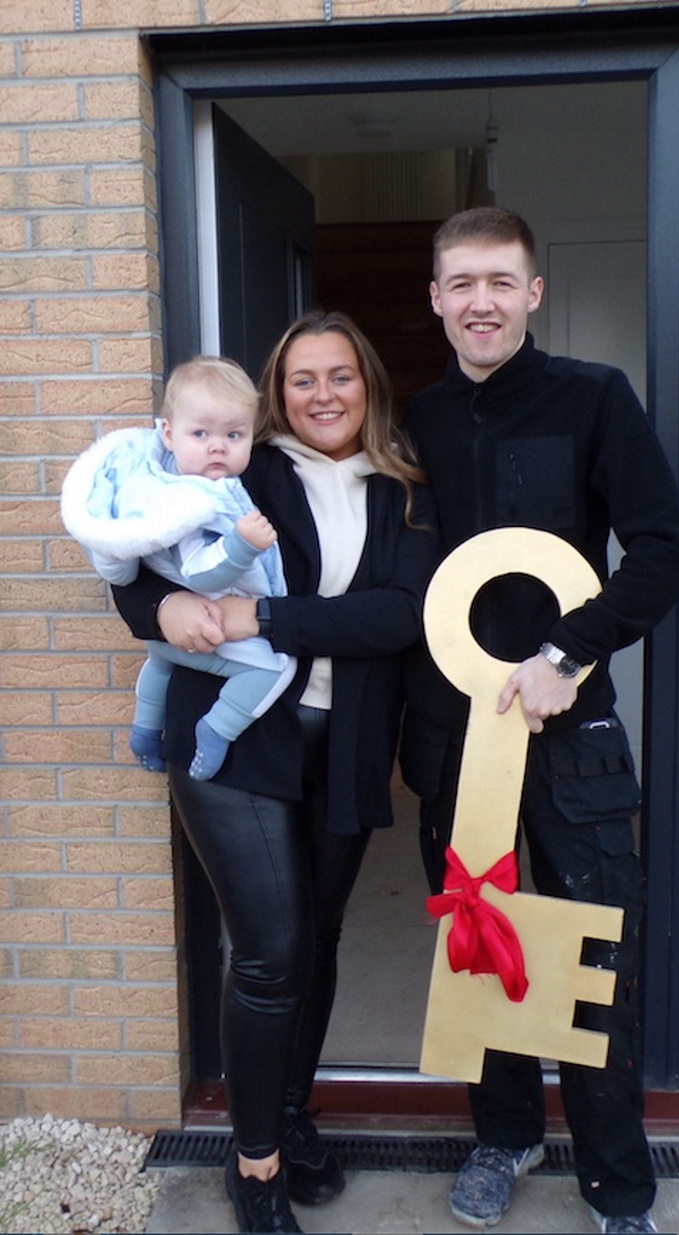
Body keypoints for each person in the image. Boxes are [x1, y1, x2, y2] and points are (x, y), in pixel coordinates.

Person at [400, 207, 679, 1235]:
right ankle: (504, 1133)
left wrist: (567, 652)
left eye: (500, 281)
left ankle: (617, 1185)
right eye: (460, 283)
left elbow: (666, 550)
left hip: (571, 736)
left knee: (593, 951)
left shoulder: (593, 400)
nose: (480, 300)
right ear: (435, 299)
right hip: (454, 736)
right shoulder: (418, 422)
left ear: (533, 292)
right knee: (481, 940)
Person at [110, 311, 440, 1235]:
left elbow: (399, 615)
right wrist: (164, 602)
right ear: (276, 392)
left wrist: (270, 621)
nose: (324, 394)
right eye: (303, 379)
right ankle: (252, 1161)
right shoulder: (236, 463)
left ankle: (290, 1116)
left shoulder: (407, 488)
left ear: (367, 385)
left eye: (341, 376)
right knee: (268, 952)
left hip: (350, 737)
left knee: (319, 939)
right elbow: (136, 559)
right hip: (234, 736)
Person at [61, 356, 296, 782]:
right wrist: (242, 545)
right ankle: (218, 728)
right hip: (205, 625)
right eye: (201, 433)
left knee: (160, 663)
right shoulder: (192, 500)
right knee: (274, 668)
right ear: (167, 433)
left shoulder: (164, 481)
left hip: (166, 639)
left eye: (234, 434)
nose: (217, 446)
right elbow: (200, 573)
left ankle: (145, 731)